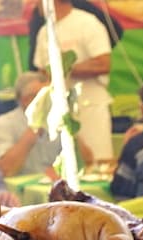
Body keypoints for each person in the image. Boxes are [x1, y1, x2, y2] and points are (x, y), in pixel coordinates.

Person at [33, 0, 115, 162]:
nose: (35, 5)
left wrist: (64, 68)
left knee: (98, 163)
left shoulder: (87, 23)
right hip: (60, 112)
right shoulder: (44, 32)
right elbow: (41, 71)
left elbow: (103, 64)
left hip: (89, 107)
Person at [0, 72, 65, 177]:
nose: (52, 100)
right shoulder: (3, 124)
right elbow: (4, 170)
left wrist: (69, 124)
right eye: (45, 96)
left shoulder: (58, 119)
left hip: (57, 187)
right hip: (19, 191)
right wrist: (36, 124)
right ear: (25, 100)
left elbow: (87, 161)